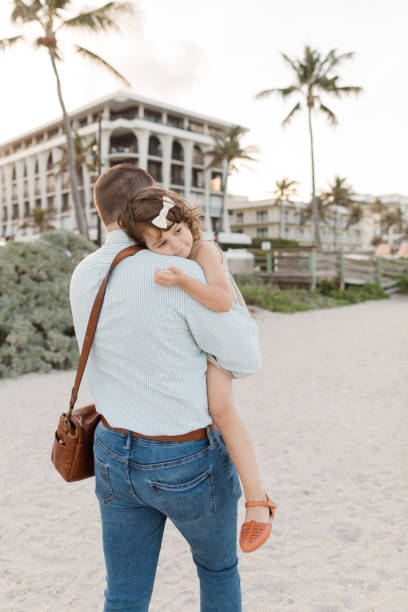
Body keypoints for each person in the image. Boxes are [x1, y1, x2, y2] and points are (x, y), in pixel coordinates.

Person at [69, 163, 262, 611]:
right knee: (217, 571)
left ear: (102, 216)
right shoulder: (172, 272)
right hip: (186, 456)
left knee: (124, 594)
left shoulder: (83, 273)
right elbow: (245, 357)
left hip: (113, 449)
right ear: (152, 202)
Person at [118, 186, 277, 554]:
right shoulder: (167, 257)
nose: (176, 244)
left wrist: (184, 281)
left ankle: (258, 500)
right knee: (213, 412)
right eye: (161, 244)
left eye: (178, 231)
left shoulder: (203, 250)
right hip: (200, 340)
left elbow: (222, 301)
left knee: (224, 412)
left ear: (188, 220)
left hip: (221, 342)